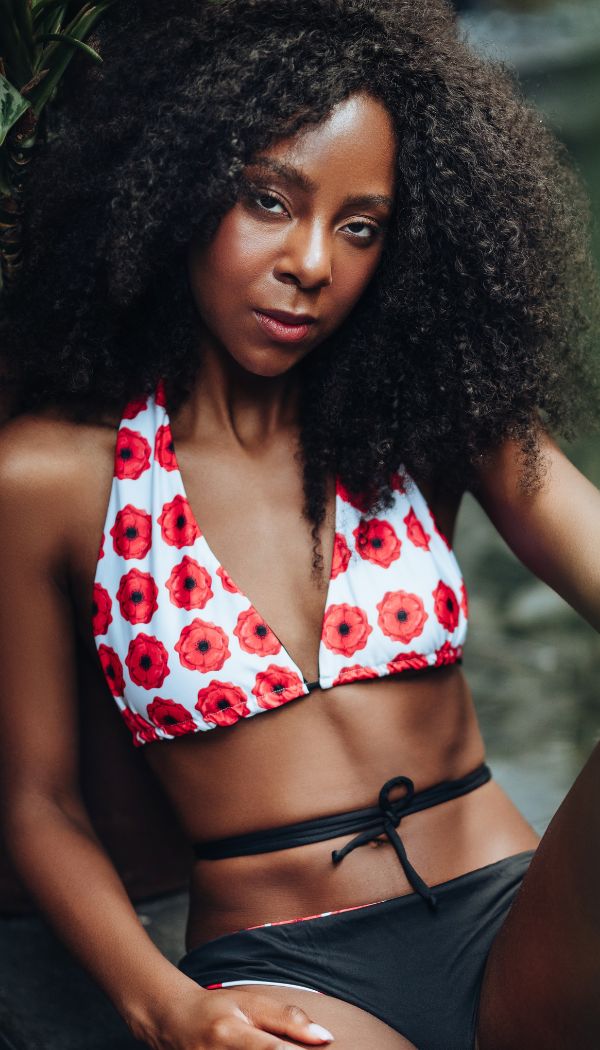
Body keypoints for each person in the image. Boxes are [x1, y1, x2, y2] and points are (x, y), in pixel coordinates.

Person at [1, 1, 599, 1047]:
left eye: (360, 226)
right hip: (290, 973)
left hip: (519, 926)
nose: (313, 263)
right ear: (177, 192)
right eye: (268, 202)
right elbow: (37, 802)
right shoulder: (50, 477)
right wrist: (168, 1008)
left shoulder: (433, 415)